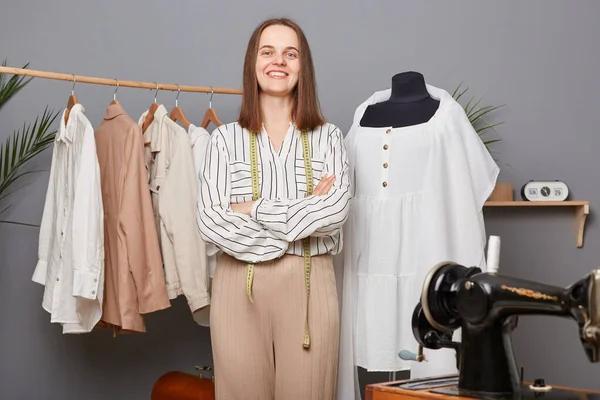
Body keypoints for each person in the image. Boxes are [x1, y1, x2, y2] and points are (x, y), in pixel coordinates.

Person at [197, 17, 352, 400]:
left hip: (311, 284)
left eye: (290, 53)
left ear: (304, 67)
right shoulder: (223, 141)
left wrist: (254, 208)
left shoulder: (329, 137)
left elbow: (334, 212)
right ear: (253, 62)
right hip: (239, 286)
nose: (278, 61)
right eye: (268, 52)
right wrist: (300, 217)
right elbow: (211, 221)